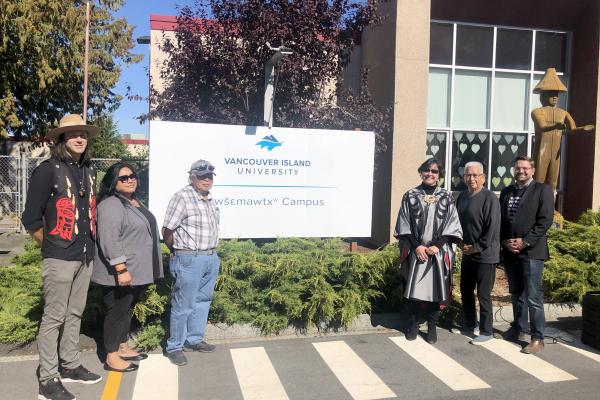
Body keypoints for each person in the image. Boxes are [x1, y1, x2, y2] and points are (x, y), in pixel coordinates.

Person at [22, 114, 102, 400]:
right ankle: (47, 378)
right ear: (61, 139)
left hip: (85, 256)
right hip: (59, 257)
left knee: (75, 313)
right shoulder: (48, 170)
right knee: (54, 316)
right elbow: (30, 219)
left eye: (83, 134)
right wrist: (54, 246)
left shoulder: (89, 170)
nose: (79, 138)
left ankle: (70, 365)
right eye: (72, 135)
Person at [92, 162, 164, 372]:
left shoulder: (132, 202)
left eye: (131, 176)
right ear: (113, 183)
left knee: (126, 310)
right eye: (123, 178)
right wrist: (121, 269)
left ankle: (122, 346)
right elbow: (109, 240)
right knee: (117, 311)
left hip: (136, 271)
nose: (130, 180)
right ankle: (111, 357)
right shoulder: (111, 204)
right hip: (120, 272)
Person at [394, 158, 462, 344]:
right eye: (427, 170)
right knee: (414, 291)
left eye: (434, 171)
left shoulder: (447, 196)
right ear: (421, 172)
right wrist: (418, 246)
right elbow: (404, 224)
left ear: (439, 175)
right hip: (417, 252)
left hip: (437, 253)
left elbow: (452, 225)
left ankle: (432, 326)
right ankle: (414, 324)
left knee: (435, 291)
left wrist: (437, 246)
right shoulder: (410, 195)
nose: (430, 174)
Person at [162, 159, 220, 366]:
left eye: (209, 176)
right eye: (202, 176)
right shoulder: (182, 197)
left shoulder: (211, 199)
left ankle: (194, 339)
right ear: (192, 177)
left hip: (210, 257)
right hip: (189, 257)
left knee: (203, 300)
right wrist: (176, 251)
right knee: (183, 304)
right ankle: (175, 347)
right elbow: (167, 230)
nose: (206, 180)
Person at [500, 155, 554, 354]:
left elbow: (545, 221)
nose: (520, 171)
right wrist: (505, 241)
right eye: (517, 168)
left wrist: (525, 242)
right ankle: (518, 328)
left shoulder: (543, 190)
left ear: (532, 170)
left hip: (532, 252)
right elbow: (503, 221)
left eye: (524, 168)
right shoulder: (507, 191)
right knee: (516, 294)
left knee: (533, 297)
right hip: (511, 251)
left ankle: (538, 338)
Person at [456, 161, 501, 344]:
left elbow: (491, 230)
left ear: (483, 177)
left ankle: (486, 331)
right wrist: (460, 243)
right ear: (464, 177)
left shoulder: (490, 198)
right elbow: (457, 223)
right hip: (467, 253)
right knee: (466, 290)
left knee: (483, 294)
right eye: (468, 175)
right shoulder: (462, 197)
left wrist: (475, 247)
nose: (472, 178)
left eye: (475, 175)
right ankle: (469, 322)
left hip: (485, 255)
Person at [531, 67, 594, 192]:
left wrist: (582, 129)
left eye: (556, 94)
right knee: (539, 180)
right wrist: (556, 126)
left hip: (555, 153)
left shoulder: (563, 113)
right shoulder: (538, 112)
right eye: (551, 94)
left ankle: (550, 208)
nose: (555, 97)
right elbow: (542, 127)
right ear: (542, 95)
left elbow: (572, 129)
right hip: (541, 151)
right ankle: (536, 207)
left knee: (553, 181)